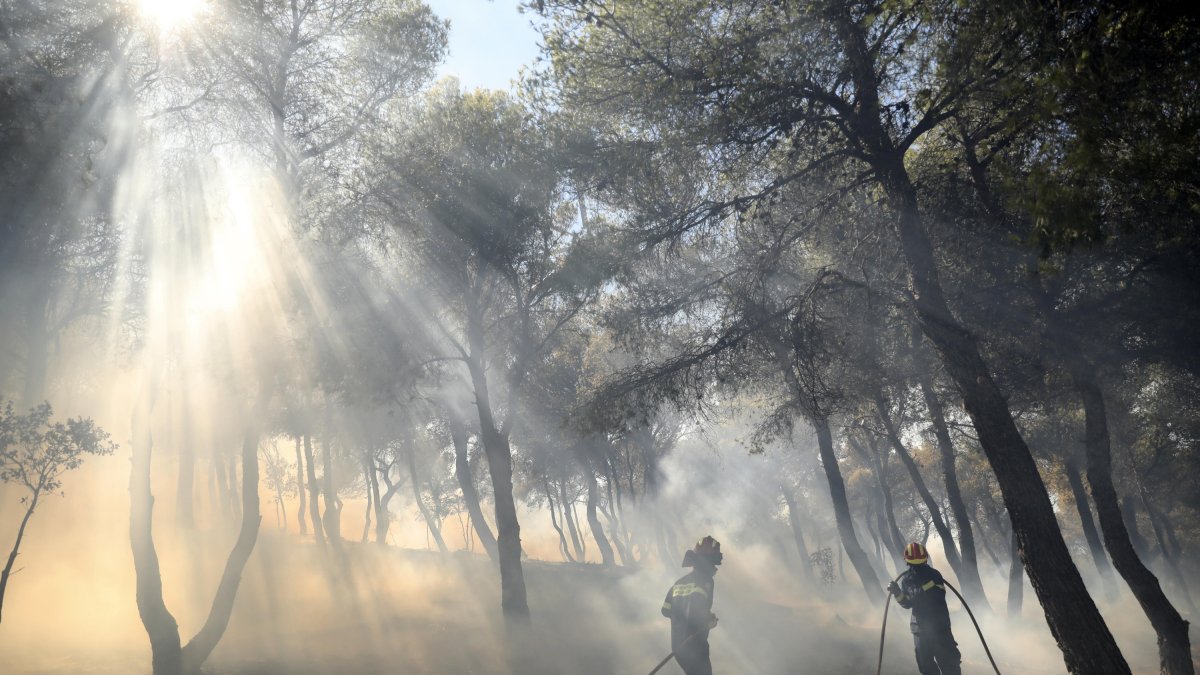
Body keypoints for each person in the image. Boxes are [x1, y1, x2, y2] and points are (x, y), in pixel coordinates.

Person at [888, 542, 962, 675]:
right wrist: (897, 592)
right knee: (925, 665)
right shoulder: (906, 580)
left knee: (949, 664)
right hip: (920, 629)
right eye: (914, 564)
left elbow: (933, 594)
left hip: (939, 627)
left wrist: (916, 594)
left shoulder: (934, 575)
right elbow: (907, 604)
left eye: (919, 564)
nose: (916, 567)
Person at [661, 536, 722, 675]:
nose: (715, 567)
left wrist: (681, 616)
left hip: (677, 646)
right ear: (708, 561)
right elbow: (697, 613)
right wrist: (709, 621)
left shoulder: (679, 582)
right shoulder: (706, 581)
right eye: (714, 562)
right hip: (695, 646)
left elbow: (665, 610)